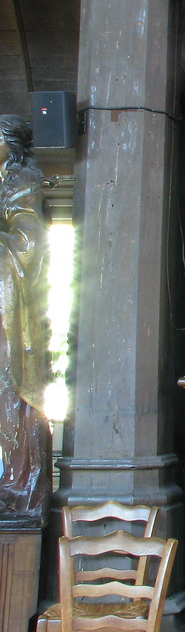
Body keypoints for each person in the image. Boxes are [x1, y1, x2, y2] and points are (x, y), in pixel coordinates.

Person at [0, 114, 51, 520]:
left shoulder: (22, 180)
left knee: (10, 390)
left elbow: (28, 241)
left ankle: (18, 482)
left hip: (11, 306)